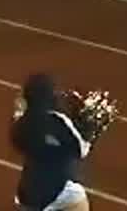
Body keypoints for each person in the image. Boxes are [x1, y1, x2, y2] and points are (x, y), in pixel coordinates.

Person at [10, 74, 89, 211]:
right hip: (59, 190)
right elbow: (82, 150)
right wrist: (84, 126)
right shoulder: (58, 121)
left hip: (27, 195)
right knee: (78, 197)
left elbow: (18, 143)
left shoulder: (21, 124)